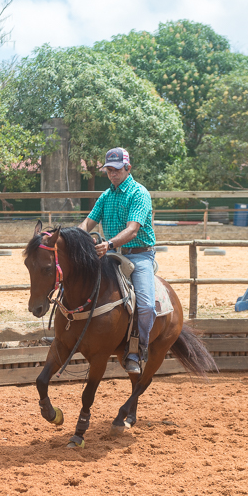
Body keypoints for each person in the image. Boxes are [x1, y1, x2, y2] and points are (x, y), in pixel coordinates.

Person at [78, 147, 156, 375]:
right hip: (111, 253)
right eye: (109, 170)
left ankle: (138, 348)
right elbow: (87, 224)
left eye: (117, 170)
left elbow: (132, 230)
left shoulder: (139, 193)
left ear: (128, 168)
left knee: (147, 306)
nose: (112, 174)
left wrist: (109, 244)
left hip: (139, 254)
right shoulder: (106, 196)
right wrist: (75, 239)